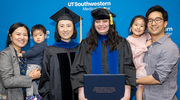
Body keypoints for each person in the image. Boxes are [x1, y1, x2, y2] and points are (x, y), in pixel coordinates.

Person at [71, 8, 136, 100]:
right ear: (94, 23)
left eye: (105, 21)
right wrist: (81, 94)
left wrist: (127, 94)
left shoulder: (122, 43)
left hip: (118, 95)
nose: (101, 24)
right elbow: (78, 69)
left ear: (110, 22)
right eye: (98, 21)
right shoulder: (86, 44)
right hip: (91, 95)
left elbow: (128, 68)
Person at [38, 7, 82, 100]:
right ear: (57, 29)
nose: (65, 29)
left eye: (69, 26)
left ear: (74, 28)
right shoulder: (49, 51)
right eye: (61, 26)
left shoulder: (80, 49)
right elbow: (45, 79)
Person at [136, 5, 179, 100]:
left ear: (165, 24)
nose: (153, 23)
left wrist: (134, 81)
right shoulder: (146, 44)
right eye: (150, 20)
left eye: (158, 20)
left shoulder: (170, 47)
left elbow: (158, 78)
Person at [0, 23, 41, 100]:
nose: (22, 37)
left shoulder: (25, 55)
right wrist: (31, 77)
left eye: (25, 35)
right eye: (18, 34)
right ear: (10, 36)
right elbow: (7, 81)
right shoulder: (5, 54)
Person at [17, 24, 47, 100]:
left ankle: (29, 96)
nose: (38, 37)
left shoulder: (41, 45)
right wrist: (26, 53)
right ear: (32, 37)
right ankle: (37, 95)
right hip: (34, 65)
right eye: (35, 35)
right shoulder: (38, 46)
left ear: (45, 36)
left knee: (28, 79)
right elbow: (32, 53)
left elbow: (33, 53)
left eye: (40, 35)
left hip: (34, 65)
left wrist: (22, 54)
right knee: (33, 81)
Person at [126, 15, 152, 100]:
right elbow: (132, 54)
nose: (138, 28)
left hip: (144, 64)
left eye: (142, 26)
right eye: (136, 25)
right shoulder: (129, 39)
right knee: (140, 86)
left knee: (143, 86)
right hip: (135, 66)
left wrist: (165, 38)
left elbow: (155, 36)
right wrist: (145, 46)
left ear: (145, 29)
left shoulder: (145, 35)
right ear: (131, 26)